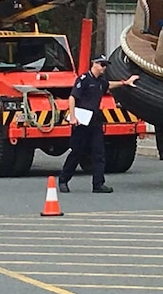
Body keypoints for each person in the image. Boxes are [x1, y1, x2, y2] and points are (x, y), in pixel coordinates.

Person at [58, 55, 138, 193]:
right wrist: (72, 116)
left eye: (105, 65)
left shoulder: (101, 81)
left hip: (95, 122)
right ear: (94, 64)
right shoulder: (83, 79)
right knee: (76, 152)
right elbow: (72, 97)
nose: (104, 68)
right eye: (101, 64)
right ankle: (63, 180)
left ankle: (98, 184)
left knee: (99, 153)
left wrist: (125, 82)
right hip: (81, 122)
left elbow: (109, 84)